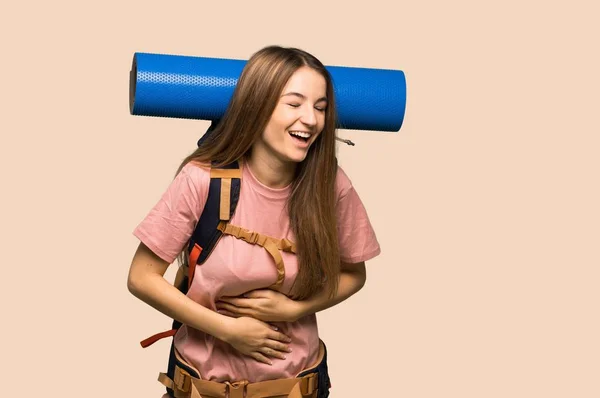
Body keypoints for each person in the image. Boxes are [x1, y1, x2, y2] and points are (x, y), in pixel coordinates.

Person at [127, 45, 381, 398]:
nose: (311, 119)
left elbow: (354, 273)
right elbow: (141, 278)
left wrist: (295, 308)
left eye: (321, 108)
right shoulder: (202, 180)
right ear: (258, 106)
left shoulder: (330, 184)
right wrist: (228, 331)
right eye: (294, 104)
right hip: (201, 386)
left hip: (298, 386)